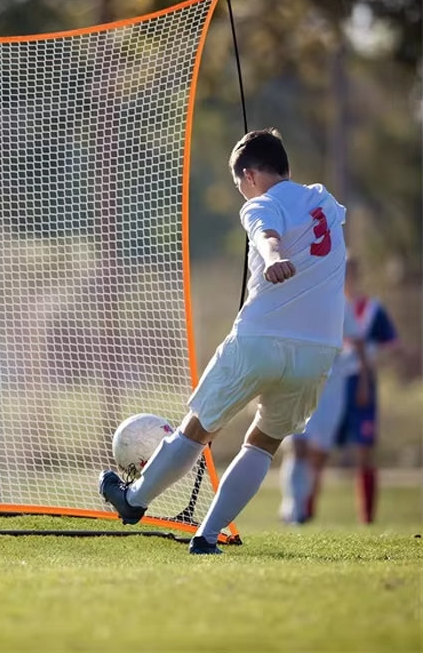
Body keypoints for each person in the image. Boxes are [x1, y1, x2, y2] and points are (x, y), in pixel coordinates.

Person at [99, 128, 348, 553]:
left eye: (239, 186)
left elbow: (266, 236)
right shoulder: (324, 200)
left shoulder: (260, 205)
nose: (242, 195)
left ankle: (133, 500)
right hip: (319, 349)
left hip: (260, 339)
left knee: (196, 430)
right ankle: (207, 537)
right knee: (265, 443)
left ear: (249, 176)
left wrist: (273, 259)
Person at [278, 293, 367, 524]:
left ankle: (301, 503)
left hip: (330, 386)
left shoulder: (339, 301)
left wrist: (364, 381)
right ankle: (294, 509)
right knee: (298, 445)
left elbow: (357, 342)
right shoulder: (295, 296)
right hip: (297, 379)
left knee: (318, 455)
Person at [333, 257, 398, 523]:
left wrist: (370, 365)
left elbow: (392, 345)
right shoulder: (330, 305)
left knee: (364, 449)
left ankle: (366, 518)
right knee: (312, 449)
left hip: (360, 383)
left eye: (352, 271)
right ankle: (301, 513)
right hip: (330, 384)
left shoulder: (372, 309)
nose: (349, 276)